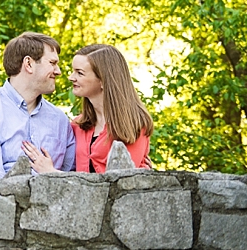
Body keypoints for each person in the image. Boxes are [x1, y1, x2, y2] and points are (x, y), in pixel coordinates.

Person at [22, 44, 153, 173]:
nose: (71, 77)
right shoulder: (78, 125)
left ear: (103, 80)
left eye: (80, 73)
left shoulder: (133, 125)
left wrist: (52, 173)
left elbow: (122, 184)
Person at [0, 31, 76, 178]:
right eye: (52, 63)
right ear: (28, 64)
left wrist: (51, 173)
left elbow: (73, 179)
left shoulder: (60, 120)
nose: (59, 71)